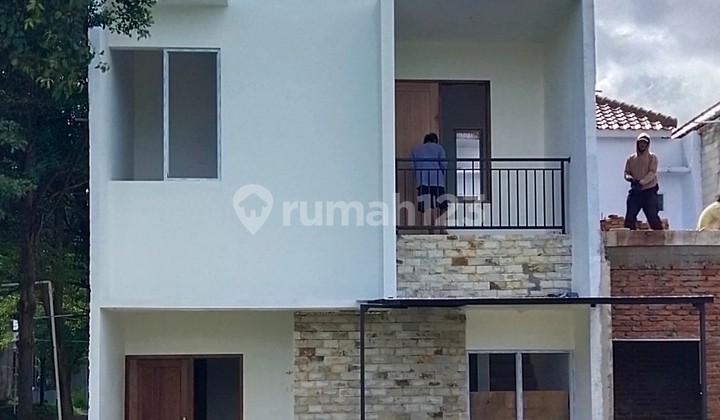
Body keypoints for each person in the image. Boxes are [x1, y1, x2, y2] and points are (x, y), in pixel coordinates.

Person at [623, 132, 663, 230]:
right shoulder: (631, 159)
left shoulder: (652, 157)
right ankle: (630, 236)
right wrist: (631, 179)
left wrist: (642, 182)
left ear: (648, 144)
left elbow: (652, 172)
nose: (642, 145)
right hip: (636, 191)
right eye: (640, 142)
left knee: (653, 217)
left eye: (645, 143)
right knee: (629, 217)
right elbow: (626, 172)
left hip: (649, 191)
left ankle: (659, 236)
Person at [411, 132, 448, 231]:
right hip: (437, 180)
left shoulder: (416, 149)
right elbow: (443, 164)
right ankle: (441, 228)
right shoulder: (439, 148)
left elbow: (413, 166)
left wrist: (418, 176)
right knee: (443, 205)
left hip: (422, 180)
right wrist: (442, 174)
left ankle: (430, 230)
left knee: (427, 206)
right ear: (435, 140)